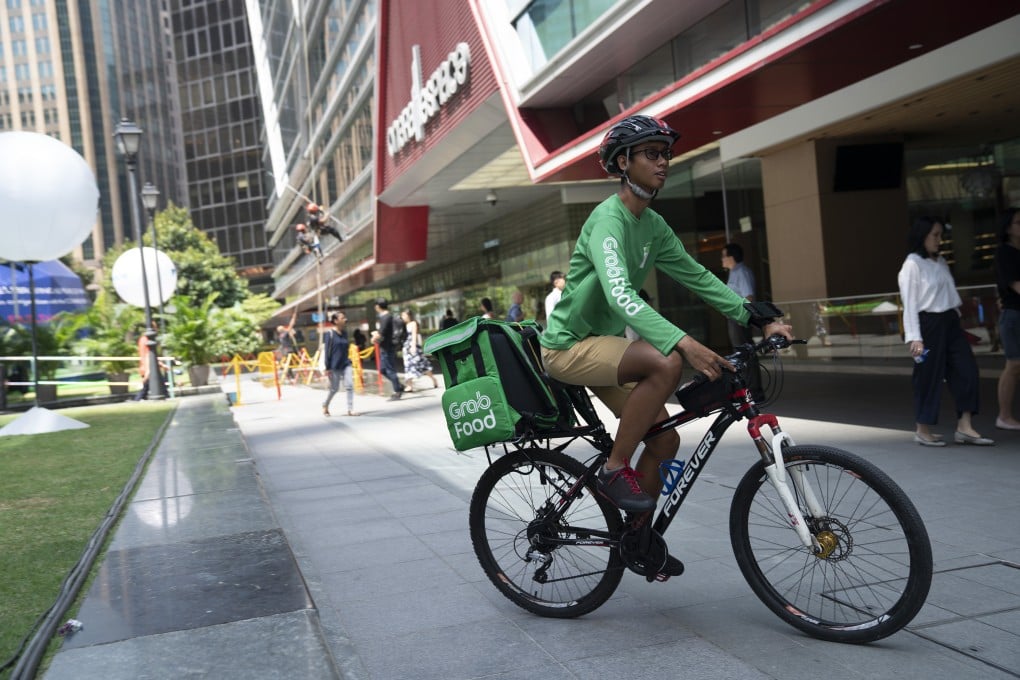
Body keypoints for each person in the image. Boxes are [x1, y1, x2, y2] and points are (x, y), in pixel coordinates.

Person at [539, 114, 793, 533]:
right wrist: (685, 343)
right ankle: (614, 467)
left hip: (603, 349)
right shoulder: (609, 222)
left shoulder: (653, 225)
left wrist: (753, 316)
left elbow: (696, 276)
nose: (663, 162)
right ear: (623, 163)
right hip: (568, 347)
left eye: (666, 154)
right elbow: (621, 293)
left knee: (665, 440)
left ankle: (637, 538)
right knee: (666, 361)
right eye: (652, 154)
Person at [897, 216, 993, 446]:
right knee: (928, 377)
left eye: (941, 235)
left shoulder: (940, 262)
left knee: (967, 369)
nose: (940, 240)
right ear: (923, 236)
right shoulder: (912, 264)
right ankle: (922, 428)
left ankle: (965, 426)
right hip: (928, 324)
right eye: (935, 235)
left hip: (950, 321)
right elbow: (909, 304)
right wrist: (915, 338)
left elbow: (949, 295)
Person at [721, 242, 765, 401]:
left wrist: (743, 317)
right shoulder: (734, 272)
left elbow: (749, 297)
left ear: (731, 257)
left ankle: (754, 392)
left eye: (724, 256)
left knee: (746, 354)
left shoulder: (742, 272)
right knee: (741, 354)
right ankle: (746, 390)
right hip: (734, 319)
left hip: (740, 319)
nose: (722, 259)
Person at [994, 207, 1020, 430]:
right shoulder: (1005, 253)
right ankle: (1004, 416)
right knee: (1014, 364)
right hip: (1013, 316)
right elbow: (1015, 285)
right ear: (1008, 228)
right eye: (1018, 223)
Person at [322, 311, 357, 416]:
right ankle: (325, 404)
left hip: (346, 363)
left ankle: (350, 409)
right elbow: (327, 351)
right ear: (336, 321)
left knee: (349, 385)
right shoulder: (330, 334)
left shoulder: (345, 333)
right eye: (342, 318)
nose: (345, 319)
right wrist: (327, 367)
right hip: (334, 365)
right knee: (334, 388)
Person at [370, 298, 404, 399]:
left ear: (377, 306)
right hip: (385, 347)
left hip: (388, 347)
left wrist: (374, 338)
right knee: (382, 370)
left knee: (389, 370)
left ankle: (397, 391)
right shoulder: (385, 317)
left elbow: (382, 333)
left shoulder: (386, 317)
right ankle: (398, 385)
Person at [400, 309, 438, 392]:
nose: (402, 317)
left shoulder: (413, 324)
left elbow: (414, 335)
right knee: (408, 366)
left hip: (413, 347)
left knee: (423, 366)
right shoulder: (403, 325)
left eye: (403, 315)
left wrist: (413, 346)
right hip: (406, 348)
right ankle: (409, 385)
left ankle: (434, 379)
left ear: (408, 315)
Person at [134, 320, 167, 400]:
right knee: (146, 388)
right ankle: (137, 400)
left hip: (146, 367)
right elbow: (148, 355)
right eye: (155, 327)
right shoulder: (147, 340)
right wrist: (160, 365)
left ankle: (138, 399)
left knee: (147, 388)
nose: (156, 329)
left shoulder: (142, 339)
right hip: (149, 367)